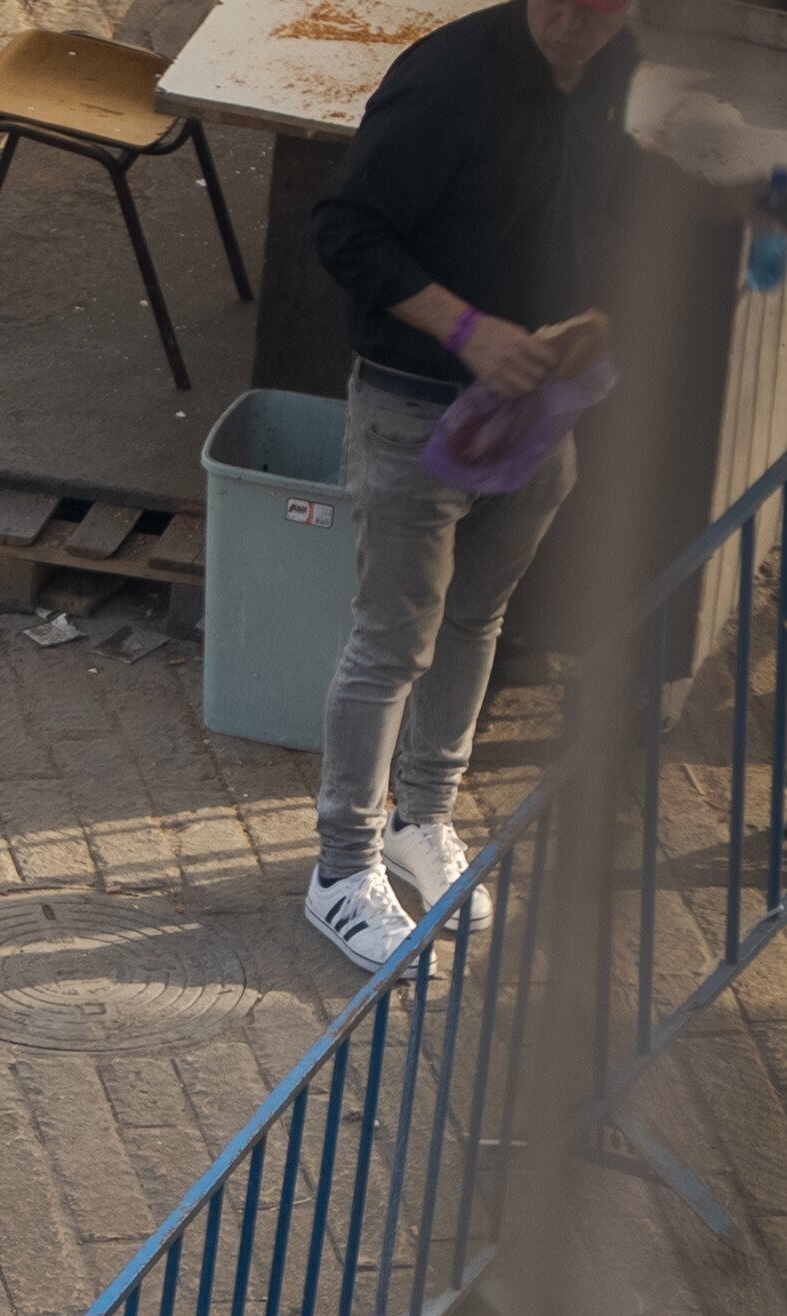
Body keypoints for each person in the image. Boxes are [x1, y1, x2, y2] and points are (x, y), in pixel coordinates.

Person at [304, 0, 640, 970]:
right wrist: (465, 329)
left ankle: (422, 816)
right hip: (412, 406)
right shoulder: (446, 78)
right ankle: (338, 868)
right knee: (388, 641)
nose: (577, 15)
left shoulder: (619, 70)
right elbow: (344, 232)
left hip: (534, 414)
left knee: (474, 618)